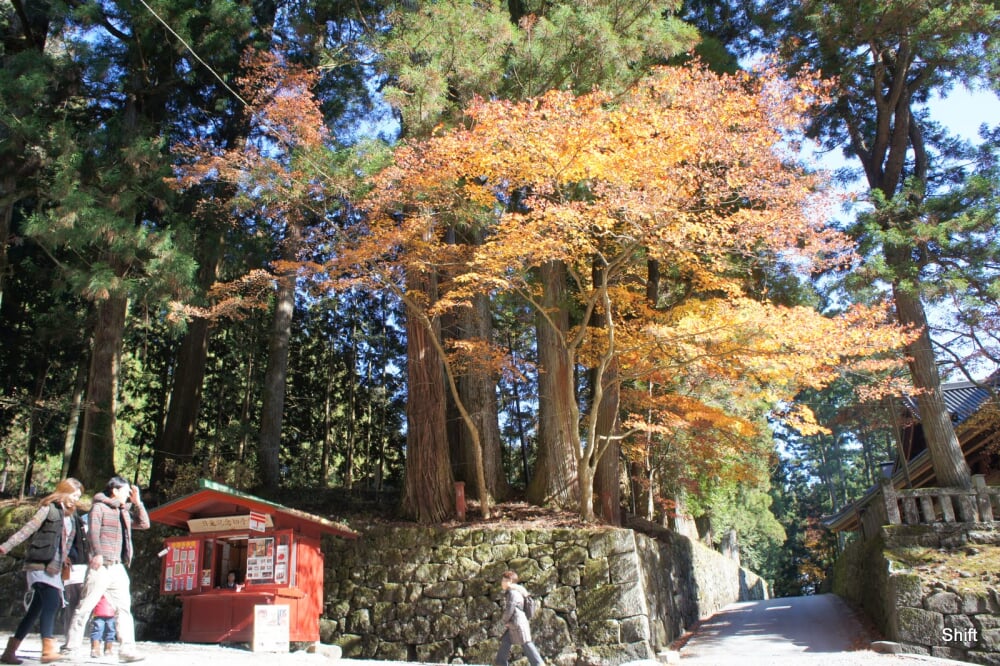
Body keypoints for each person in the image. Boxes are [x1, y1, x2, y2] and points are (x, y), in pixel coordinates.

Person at [63, 476, 149, 663]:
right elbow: (93, 531)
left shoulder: (124, 511)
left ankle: (127, 649)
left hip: (118, 566)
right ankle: (71, 647)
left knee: (124, 609)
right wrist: (98, 553)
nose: (128, 495)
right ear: (115, 490)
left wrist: (138, 503)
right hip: (101, 565)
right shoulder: (99, 507)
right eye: (126, 491)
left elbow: (144, 524)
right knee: (84, 607)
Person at [0, 477, 84, 665]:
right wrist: (5, 546)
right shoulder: (48, 509)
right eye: (74, 495)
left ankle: (9, 651)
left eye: (78, 496)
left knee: (35, 610)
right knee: (53, 602)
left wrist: (65, 558)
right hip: (39, 564)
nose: (75, 499)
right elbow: (27, 530)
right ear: (64, 491)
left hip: (55, 567)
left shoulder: (72, 515)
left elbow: (68, 541)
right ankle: (48, 651)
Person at [495, 570, 544, 666]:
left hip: (517, 623)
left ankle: (539, 664)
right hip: (515, 623)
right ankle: (500, 663)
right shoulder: (514, 592)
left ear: (510, 581)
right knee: (506, 641)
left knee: (526, 643)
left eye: (504, 580)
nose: (502, 582)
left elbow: (510, 608)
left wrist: (504, 620)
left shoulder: (513, 593)